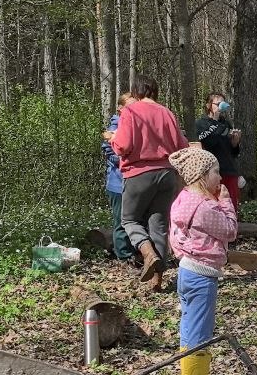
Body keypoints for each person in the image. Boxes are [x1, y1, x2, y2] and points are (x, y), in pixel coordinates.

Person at [168, 146, 238, 375]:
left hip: (187, 270)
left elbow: (174, 237)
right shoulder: (204, 207)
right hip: (201, 275)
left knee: (191, 324)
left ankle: (194, 374)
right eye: (216, 172)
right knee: (200, 327)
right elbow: (229, 230)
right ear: (201, 175)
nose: (220, 178)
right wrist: (226, 201)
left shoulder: (183, 200)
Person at [111, 76, 186, 290]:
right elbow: (181, 144)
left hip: (139, 173)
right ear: (155, 91)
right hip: (167, 173)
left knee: (129, 220)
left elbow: (123, 145)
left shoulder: (130, 112)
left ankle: (147, 252)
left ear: (136, 91)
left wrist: (113, 139)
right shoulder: (167, 113)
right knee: (159, 225)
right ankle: (157, 281)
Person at [192, 93, 243, 209]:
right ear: (209, 105)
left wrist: (235, 143)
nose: (221, 106)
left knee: (231, 208)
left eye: (223, 103)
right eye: (218, 104)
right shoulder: (201, 123)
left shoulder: (226, 123)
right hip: (211, 173)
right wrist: (214, 121)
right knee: (213, 207)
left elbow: (233, 152)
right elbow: (208, 142)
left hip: (229, 171)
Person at [102, 92, 136, 261]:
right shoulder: (115, 127)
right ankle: (123, 254)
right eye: (130, 106)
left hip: (134, 182)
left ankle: (133, 251)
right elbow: (111, 154)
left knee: (134, 219)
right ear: (120, 108)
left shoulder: (135, 125)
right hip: (117, 183)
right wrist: (129, 157)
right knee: (121, 221)